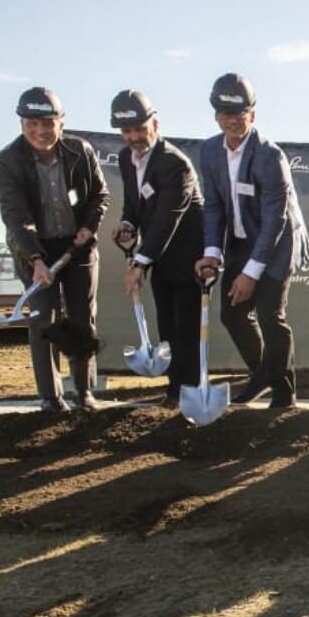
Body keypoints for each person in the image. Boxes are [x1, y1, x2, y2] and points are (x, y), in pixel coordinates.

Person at [194, 73, 309, 411]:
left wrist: (251, 273)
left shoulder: (269, 156)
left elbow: (276, 219)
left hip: (277, 242)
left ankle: (284, 392)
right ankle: (263, 373)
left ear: (252, 115)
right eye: (225, 113)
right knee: (232, 314)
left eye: (239, 114)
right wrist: (212, 253)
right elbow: (214, 204)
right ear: (216, 115)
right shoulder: (210, 151)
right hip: (242, 240)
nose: (232, 120)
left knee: (269, 314)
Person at [0, 87, 108, 411]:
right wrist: (36, 260)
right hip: (34, 247)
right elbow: (16, 217)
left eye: (48, 123)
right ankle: (50, 398)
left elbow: (100, 194)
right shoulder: (6, 162)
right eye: (32, 123)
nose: (41, 131)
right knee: (44, 319)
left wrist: (88, 226)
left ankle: (83, 393)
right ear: (21, 124)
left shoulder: (80, 151)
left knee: (82, 319)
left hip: (78, 246)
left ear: (61, 122)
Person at [109, 90, 205, 409]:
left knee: (185, 326)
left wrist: (139, 263)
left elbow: (166, 219)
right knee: (166, 327)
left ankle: (188, 393)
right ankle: (174, 389)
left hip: (189, 255)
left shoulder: (174, 163)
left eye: (140, 128)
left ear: (155, 123)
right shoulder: (127, 158)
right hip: (159, 255)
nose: (134, 137)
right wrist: (128, 224)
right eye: (127, 131)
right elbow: (136, 204)